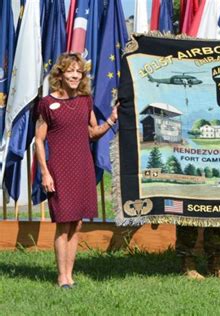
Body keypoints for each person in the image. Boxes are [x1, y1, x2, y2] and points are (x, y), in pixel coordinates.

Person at [35, 53, 118, 289]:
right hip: (59, 170)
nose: (74, 75)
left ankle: (70, 275)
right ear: (60, 74)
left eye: (78, 72)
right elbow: (39, 140)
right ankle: (62, 278)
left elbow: (92, 133)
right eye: (70, 70)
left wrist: (111, 120)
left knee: (77, 223)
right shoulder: (46, 104)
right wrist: (45, 173)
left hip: (82, 168)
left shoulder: (85, 101)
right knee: (64, 222)